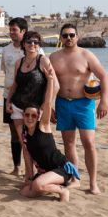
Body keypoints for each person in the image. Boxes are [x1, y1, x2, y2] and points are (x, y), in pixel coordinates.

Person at [50, 23, 108, 194]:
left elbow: (104, 76)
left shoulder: (86, 55)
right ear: (61, 38)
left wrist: (104, 101)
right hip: (62, 103)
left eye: (71, 35)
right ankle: (75, 178)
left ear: (77, 36)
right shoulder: (54, 57)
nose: (68, 38)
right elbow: (48, 84)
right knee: (69, 143)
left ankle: (93, 183)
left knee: (88, 142)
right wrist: (49, 107)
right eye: (65, 35)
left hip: (83, 104)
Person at [20, 63, 81, 202]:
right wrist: (28, 178)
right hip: (45, 171)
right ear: (23, 116)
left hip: (60, 168)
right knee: (25, 192)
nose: (30, 118)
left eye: (33, 115)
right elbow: (28, 157)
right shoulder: (24, 133)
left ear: (38, 117)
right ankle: (48, 184)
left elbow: (47, 103)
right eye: (27, 115)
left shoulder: (43, 126)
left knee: (38, 185)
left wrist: (51, 80)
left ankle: (62, 190)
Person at [5, 31, 56, 173]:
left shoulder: (43, 60)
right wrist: (8, 101)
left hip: (35, 110)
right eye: (29, 41)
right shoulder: (18, 62)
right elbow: (15, 84)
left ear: (39, 45)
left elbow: (53, 84)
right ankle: (28, 175)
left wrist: (46, 106)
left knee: (37, 144)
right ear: (23, 44)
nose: (32, 44)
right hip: (17, 106)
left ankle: (41, 172)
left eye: (36, 42)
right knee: (24, 144)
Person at [0, 17, 29, 175]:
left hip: (29, 98)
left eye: (14, 30)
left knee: (30, 133)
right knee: (14, 134)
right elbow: (5, 71)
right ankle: (17, 167)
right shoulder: (6, 50)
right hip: (9, 95)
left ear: (23, 31)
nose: (11, 32)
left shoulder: (33, 48)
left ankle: (30, 166)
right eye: (10, 29)